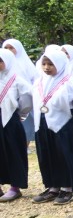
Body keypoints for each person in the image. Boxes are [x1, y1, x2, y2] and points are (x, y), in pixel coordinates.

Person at [31, 48, 73, 205]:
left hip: (64, 123)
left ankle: (67, 188)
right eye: (44, 63)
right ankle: (52, 187)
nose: (47, 67)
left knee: (64, 154)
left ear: (60, 64)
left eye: (51, 64)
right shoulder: (39, 82)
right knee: (47, 154)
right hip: (42, 122)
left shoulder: (70, 82)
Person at [0, 48, 33, 202]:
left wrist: (21, 113)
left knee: (13, 151)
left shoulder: (16, 79)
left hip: (10, 119)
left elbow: (27, 96)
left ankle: (15, 187)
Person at [2, 40, 37, 149]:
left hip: (17, 108)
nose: (8, 50)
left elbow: (31, 85)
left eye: (11, 48)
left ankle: (24, 147)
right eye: (6, 47)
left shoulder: (25, 65)